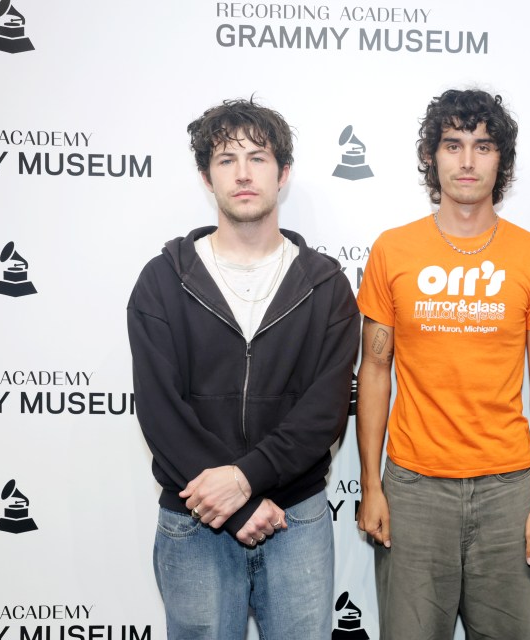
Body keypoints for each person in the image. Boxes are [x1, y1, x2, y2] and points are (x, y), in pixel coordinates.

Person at [127, 97, 359, 639]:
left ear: (284, 174)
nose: (244, 173)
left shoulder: (325, 285)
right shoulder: (162, 281)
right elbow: (161, 413)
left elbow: (324, 412)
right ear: (207, 178)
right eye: (226, 160)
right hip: (194, 517)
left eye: (258, 157)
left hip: (294, 517)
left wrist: (245, 481)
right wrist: (232, 503)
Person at [355, 88, 530, 639]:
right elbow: (374, 372)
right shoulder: (393, 250)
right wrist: (371, 484)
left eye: (483, 146)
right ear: (432, 156)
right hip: (413, 487)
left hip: (508, 491)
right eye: (453, 145)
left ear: (503, 160)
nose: (468, 161)